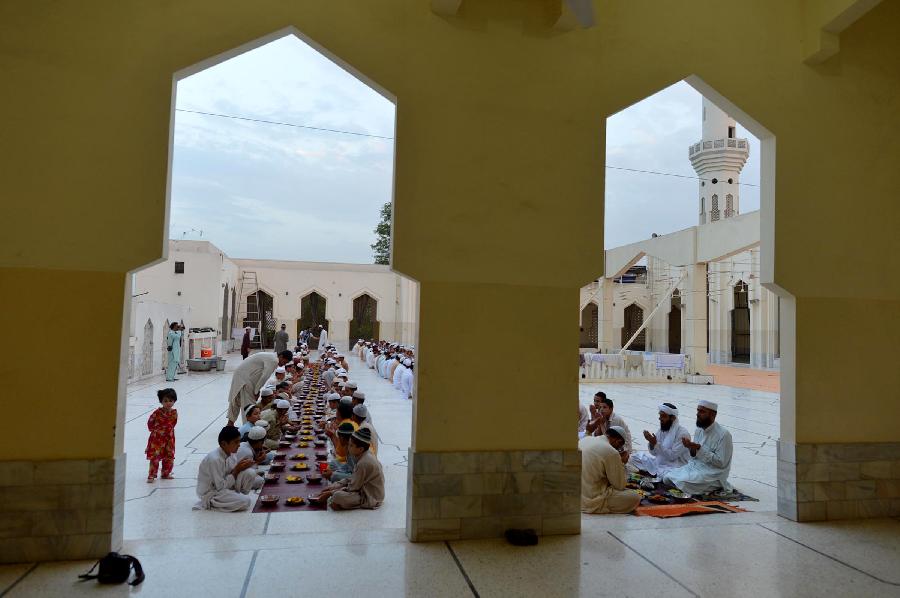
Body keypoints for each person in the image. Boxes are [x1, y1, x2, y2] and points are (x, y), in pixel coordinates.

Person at [663, 400, 733, 496]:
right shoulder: (698, 431)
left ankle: (715, 486)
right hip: (695, 467)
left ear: (713, 415)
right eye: (698, 411)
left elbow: (721, 463)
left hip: (712, 473)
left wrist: (699, 449)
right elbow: (694, 457)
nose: (698, 414)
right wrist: (691, 448)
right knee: (667, 477)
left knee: (682, 482)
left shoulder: (724, 435)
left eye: (702, 412)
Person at [317, 428, 384, 510]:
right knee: (336, 491)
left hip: (370, 497)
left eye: (351, 445)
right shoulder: (363, 455)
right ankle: (342, 503)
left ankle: (346, 505)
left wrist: (330, 493)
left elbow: (352, 488)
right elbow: (352, 478)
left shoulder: (363, 463)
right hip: (363, 489)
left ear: (360, 449)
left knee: (337, 496)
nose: (348, 447)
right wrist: (334, 486)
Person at [193, 426, 257, 512]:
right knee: (245, 501)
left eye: (239, 441)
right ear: (223, 444)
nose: (239, 445)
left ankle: (236, 496)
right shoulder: (214, 459)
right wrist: (237, 470)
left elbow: (231, 473)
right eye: (236, 442)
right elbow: (220, 487)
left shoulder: (231, 454)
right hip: (212, 492)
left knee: (250, 473)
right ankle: (212, 503)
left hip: (226, 487)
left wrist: (242, 466)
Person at [579, 426, 640, 514]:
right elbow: (620, 485)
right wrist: (622, 462)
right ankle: (598, 506)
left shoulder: (586, 439)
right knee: (635, 497)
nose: (617, 450)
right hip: (590, 500)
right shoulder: (611, 452)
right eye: (619, 447)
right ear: (618, 441)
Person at [226, 350, 293, 425]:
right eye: (284, 362)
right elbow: (264, 377)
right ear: (281, 356)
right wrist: (256, 391)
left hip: (241, 375)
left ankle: (230, 424)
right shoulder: (274, 360)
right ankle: (249, 429)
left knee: (236, 400)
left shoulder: (270, 356)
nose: (283, 364)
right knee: (249, 406)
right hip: (246, 379)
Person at [630, 403, 691, 477]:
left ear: (673, 418)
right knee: (633, 457)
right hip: (659, 463)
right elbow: (654, 453)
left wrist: (655, 444)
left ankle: (654, 473)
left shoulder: (683, 434)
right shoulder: (662, 429)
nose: (660, 418)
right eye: (660, 415)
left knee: (668, 476)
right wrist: (651, 443)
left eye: (663, 416)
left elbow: (672, 456)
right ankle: (654, 473)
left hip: (675, 466)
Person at [146, 388, 178, 482]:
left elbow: (173, 424)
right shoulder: (157, 413)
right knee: (154, 457)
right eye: (165, 401)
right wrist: (155, 431)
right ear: (161, 402)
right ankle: (152, 475)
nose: (168, 403)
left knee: (169, 456)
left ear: (174, 401)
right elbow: (150, 423)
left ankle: (166, 473)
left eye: (171, 401)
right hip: (157, 438)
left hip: (169, 438)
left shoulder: (174, 413)